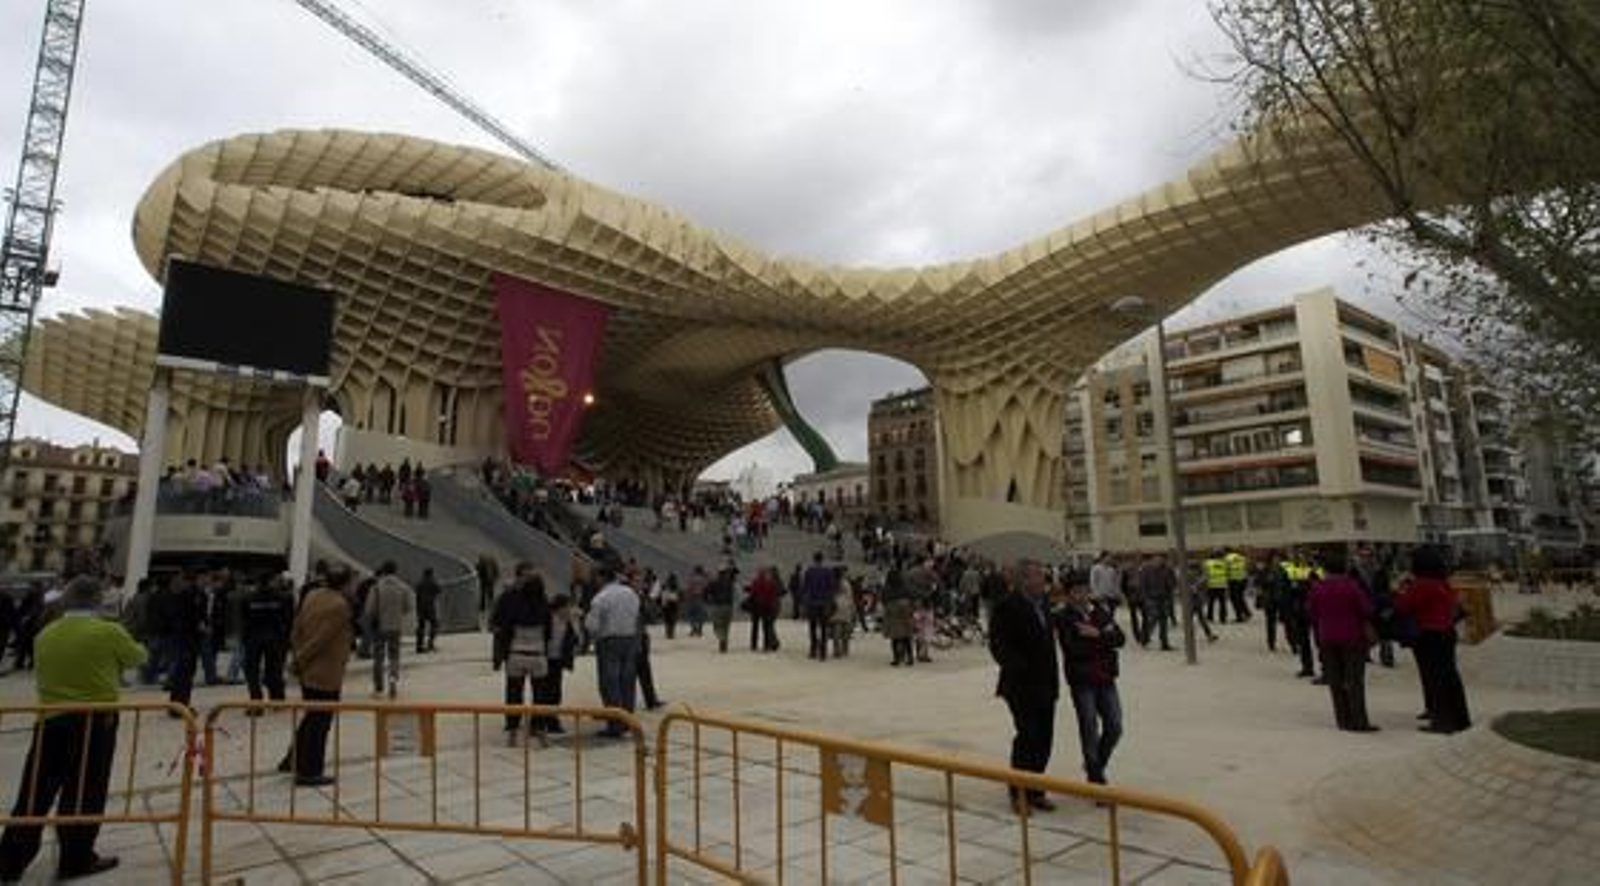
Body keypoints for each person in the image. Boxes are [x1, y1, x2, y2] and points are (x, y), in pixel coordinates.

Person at [0, 576, 145, 882]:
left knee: (35, 791)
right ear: (98, 600)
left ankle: (11, 860)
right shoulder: (108, 631)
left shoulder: (45, 634)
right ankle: (76, 857)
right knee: (85, 790)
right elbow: (137, 657)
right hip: (95, 721)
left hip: (51, 719)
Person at [988, 561, 1059, 814]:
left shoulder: (1045, 604)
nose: (1042, 580)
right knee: (1027, 737)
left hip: (1047, 684)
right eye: (1038, 576)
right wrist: (1021, 667)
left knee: (1045, 739)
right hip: (1021, 686)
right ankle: (1018, 792)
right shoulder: (1006, 607)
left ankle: (1035, 789)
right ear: (1023, 580)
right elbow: (999, 646)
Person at [285, 566, 355, 786]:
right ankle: (310, 771)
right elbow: (321, 640)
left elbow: (296, 628)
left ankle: (293, 759)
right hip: (325, 672)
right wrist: (299, 661)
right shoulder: (340, 605)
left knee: (311, 715)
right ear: (345, 584)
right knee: (320, 722)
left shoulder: (312, 595)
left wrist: (297, 653)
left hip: (308, 670)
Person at [1395, 547, 1472, 734]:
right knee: (1450, 676)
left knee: (1434, 679)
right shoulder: (1442, 583)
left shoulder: (1421, 585)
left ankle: (1442, 721)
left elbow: (1403, 606)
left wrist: (1398, 591)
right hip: (1447, 633)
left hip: (1429, 635)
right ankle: (1460, 718)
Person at [1058, 580, 1126, 786]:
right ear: (1068, 595)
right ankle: (1095, 776)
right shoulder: (1064, 618)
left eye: (1084, 591)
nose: (1081, 596)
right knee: (1089, 727)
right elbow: (1074, 650)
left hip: (1106, 677)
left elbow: (1120, 639)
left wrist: (1097, 634)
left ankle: (1095, 765)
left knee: (1114, 726)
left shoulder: (1100, 612)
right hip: (1082, 681)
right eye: (1076, 592)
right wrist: (1104, 639)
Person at [1306, 552, 1377, 733]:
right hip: (1352, 637)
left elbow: (1311, 612)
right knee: (1354, 681)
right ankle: (1359, 720)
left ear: (1325, 569)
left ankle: (1343, 719)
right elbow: (1366, 610)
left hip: (1327, 637)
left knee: (1335, 681)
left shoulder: (1317, 587)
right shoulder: (1352, 586)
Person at [491, 572, 550, 743]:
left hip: (516, 654)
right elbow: (549, 633)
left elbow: (504, 629)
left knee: (514, 694)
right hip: (538, 655)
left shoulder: (515, 605)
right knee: (540, 695)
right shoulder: (544, 606)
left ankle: (512, 730)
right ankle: (540, 728)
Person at [586, 567, 641, 737]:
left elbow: (592, 626)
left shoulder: (600, 598)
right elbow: (636, 616)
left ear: (601, 578)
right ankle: (628, 719)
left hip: (608, 641)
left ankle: (615, 724)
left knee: (610, 683)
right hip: (630, 639)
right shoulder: (631, 593)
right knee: (627, 681)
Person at [240, 575, 295, 713]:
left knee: (252, 672)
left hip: (254, 638)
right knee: (274, 671)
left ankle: (256, 702)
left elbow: (244, 619)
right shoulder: (281, 598)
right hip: (274, 638)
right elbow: (287, 619)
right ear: (271, 582)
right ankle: (277, 701)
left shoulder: (248, 598)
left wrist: (244, 638)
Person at [531, 590, 580, 735]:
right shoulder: (547, 618)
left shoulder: (568, 622)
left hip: (557, 660)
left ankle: (552, 721)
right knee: (542, 693)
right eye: (567, 607)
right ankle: (538, 722)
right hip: (544, 659)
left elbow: (576, 639)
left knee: (555, 693)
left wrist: (575, 623)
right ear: (560, 607)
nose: (569, 610)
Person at [363, 562, 414, 699]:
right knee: (394, 656)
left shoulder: (376, 588)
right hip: (396, 626)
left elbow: (369, 609)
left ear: (384, 571)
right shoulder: (403, 587)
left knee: (378, 658)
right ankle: (392, 680)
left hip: (379, 627)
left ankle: (378, 687)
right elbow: (408, 607)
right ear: (396, 571)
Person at [165, 571, 210, 711]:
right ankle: (177, 705)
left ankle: (183, 703)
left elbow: (202, 615)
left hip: (194, 638)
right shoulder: (187, 594)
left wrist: (204, 625)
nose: (208, 579)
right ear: (199, 577)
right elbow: (181, 616)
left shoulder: (201, 595)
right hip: (185, 638)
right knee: (183, 672)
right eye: (206, 576)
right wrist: (197, 625)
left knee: (188, 672)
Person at [801, 552, 837, 661]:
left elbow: (805, 588)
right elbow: (831, 587)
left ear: (814, 559)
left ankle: (813, 650)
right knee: (824, 628)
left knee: (812, 627)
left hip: (812, 603)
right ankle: (823, 652)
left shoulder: (809, 571)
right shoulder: (828, 571)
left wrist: (805, 602)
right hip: (824, 602)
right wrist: (830, 601)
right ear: (822, 559)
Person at [1137, 555, 1176, 651]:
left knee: (1164, 621)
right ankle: (1144, 639)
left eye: (1161, 560)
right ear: (1153, 560)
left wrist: (1170, 590)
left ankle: (1164, 643)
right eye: (1157, 560)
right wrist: (1145, 599)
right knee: (1153, 619)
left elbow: (1173, 583)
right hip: (1151, 598)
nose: (1159, 562)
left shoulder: (1168, 570)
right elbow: (1142, 585)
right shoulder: (1146, 570)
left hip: (1164, 598)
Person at [747, 566, 781, 652]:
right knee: (765, 627)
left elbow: (752, 593)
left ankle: (753, 644)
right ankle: (766, 645)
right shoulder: (770, 583)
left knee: (755, 627)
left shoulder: (755, 582)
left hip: (756, 606)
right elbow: (773, 595)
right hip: (767, 607)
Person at [704, 564, 736, 654]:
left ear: (719, 573)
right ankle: (724, 642)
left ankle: (722, 639)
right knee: (726, 626)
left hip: (717, 606)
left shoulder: (714, 582)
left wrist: (707, 601)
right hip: (728, 607)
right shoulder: (730, 583)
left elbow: (706, 591)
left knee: (717, 626)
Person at [830, 570, 856, 659]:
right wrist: (853, 608)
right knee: (846, 631)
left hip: (835, 607)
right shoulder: (846, 583)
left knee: (836, 631)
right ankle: (845, 649)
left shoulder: (832, 583)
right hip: (846, 607)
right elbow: (850, 596)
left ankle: (836, 651)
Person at [414, 567, 440, 654]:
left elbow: (417, 594)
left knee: (421, 626)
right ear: (431, 574)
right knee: (434, 625)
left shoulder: (419, 583)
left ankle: (419, 645)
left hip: (420, 607)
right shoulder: (433, 582)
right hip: (430, 607)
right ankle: (430, 643)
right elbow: (438, 590)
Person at [1202, 551, 1230, 624]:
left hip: (1212, 585)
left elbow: (1205, 573)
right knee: (1222, 603)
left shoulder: (1208, 563)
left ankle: (1210, 616)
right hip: (1222, 585)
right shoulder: (1224, 563)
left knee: (1211, 602)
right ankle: (1222, 618)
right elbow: (1227, 573)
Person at [1224, 549, 1252, 623]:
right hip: (1243, 579)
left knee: (1234, 599)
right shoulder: (1241, 558)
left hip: (1233, 580)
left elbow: (1225, 569)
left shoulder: (1227, 558)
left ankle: (1239, 616)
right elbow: (1247, 567)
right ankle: (1246, 612)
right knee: (1240, 597)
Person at [476, 555, 500, 628]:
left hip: (485, 580)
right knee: (489, 593)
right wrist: (496, 577)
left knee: (484, 593)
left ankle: (484, 606)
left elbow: (478, 569)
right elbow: (496, 570)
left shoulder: (483, 563)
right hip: (489, 580)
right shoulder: (491, 562)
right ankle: (489, 605)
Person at [684, 565, 708, 637]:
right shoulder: (704, 580)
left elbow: (688, 588)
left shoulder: (691, 579)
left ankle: (694, 628)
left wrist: (686, 597)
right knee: (700, 615)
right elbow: (706, 588)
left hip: (692, 598)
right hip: (701, 598)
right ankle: (700, 630)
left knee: (690, 614)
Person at [660, 573, 682, 640]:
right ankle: (671, 633)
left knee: (667, 619)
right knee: (672, 620)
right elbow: (680, 595)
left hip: (667, 604)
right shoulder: (676, 585)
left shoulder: (665, 585)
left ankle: (668, 632)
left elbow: (662, 594)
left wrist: (663, 604)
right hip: (673, 604)